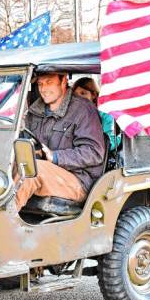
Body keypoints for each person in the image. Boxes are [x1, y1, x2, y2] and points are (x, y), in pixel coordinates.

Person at [15, 72, 106, 210]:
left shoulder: (83, 110)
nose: (43, 89)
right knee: (7, 166)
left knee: (32, 170)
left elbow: (94, 153)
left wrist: (55, 156)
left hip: (78, 180)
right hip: (47, 172)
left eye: (49, 82)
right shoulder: (35, 111)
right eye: (40, 84)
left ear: (63, 81)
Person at [71, 77, 120, 151]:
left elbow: (112, 142)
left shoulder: (105, 115)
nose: (79, 98)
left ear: (93, 95)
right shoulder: (71, 114)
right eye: (75, 95)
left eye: (83, 93)